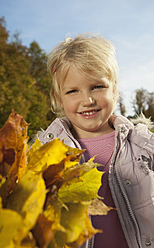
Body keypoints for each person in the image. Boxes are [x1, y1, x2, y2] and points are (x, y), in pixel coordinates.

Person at [38, 33, 154, 248]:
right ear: (58, 98)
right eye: (73, 91)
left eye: (97, 87)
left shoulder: (143, 144)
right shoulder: (45, 153)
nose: (87, 100)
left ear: (115, 88)